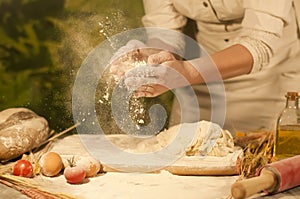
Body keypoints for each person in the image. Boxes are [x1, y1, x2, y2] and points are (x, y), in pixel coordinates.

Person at [110, 0, 300, 134]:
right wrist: (153, 55)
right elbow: (166, 31)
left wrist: (187, 72)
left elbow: (259, 45)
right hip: (199, 84)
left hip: (271, 82)